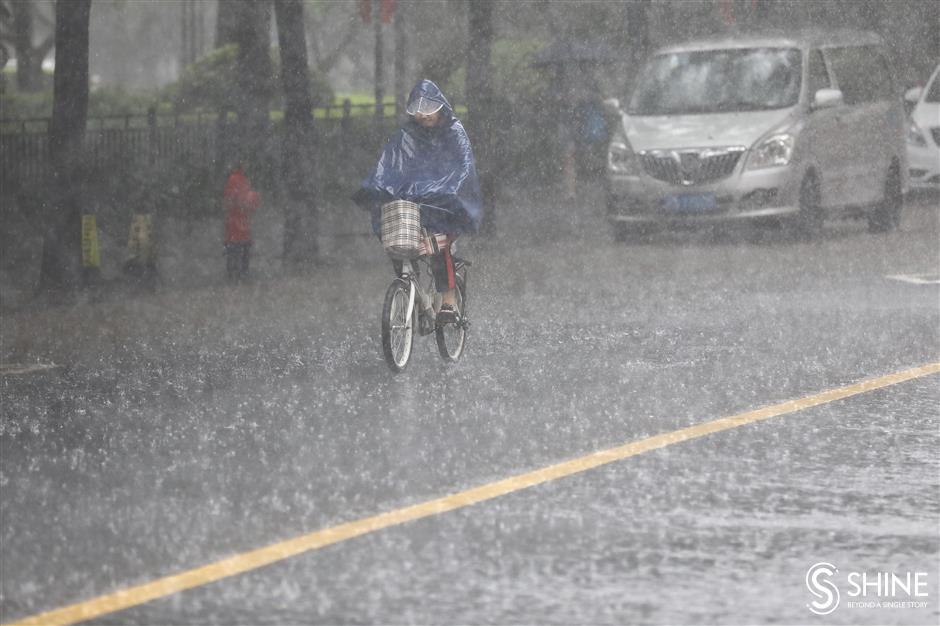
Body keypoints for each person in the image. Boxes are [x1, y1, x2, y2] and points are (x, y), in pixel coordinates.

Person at [355, 79, 482, 323]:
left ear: (440, 107)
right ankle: (414, 294)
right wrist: (378, 188)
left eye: (429, 108)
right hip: (414, 204)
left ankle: (448, 303)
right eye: (419, 109)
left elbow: (464, 166)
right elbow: (390, 163)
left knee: (438, 248)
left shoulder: (454, 131)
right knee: (398, 243)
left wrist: (447, 189)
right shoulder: (407, 136)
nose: (424, 114)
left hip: (443, 206)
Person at [223, 162, 260, 282]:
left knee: (234, 248)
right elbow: (243, 200)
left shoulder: (233, 180)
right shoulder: (243, 180)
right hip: (241, 221)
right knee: (243, 248)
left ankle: (233, 273)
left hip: (235, 222)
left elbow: (230, 200)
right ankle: (242, 273)